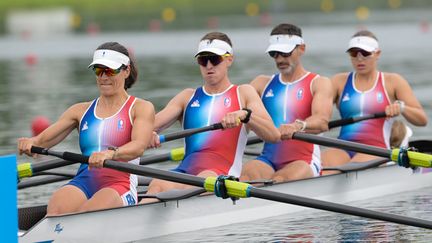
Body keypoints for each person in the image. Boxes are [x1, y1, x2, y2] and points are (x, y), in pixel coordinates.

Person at [139, 31, 280, 203]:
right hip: (184, 172)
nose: (208, 66)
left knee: (204, 178)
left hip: (220, 177)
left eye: (214, 59)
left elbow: (274, 135)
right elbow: (147, 127)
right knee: (158, 184)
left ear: (229, 60)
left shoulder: (243, 93)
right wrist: (148, 134)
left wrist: (245, 115)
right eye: (202, 60)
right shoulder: (187, 97)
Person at [18, 42, 155, 215]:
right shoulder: (79, 111)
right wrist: (29, 143)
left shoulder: (140, 108)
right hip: (84, 181)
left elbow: (139, 146)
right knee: (57, 206)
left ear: (126, 71)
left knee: (91, 211)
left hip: (119, 184)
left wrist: (110, 153)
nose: (103, 77)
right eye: (98, 70)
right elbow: (41, 141)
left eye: (110, 70)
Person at [321, 30, 428, 171]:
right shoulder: (338, 82)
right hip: (344, 147)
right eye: (354, 53)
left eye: (365, 53)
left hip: (376, 149)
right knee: (323, 166)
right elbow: (319, 116)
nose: (360, 59)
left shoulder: (393, 81)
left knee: (350, 169)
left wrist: (402, 108)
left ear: (377, 54)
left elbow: (422, 120)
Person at [240, 23, 334, 183]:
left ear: (302, 49)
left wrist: (297, 126)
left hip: (304, 161)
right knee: (244, 176)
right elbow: (236, 109)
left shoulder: (318, 83)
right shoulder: (261, 84)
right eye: (274, 54)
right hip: (267, 159)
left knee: (280, 179)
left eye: (285, 53)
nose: (280, 59)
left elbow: (322, 122)